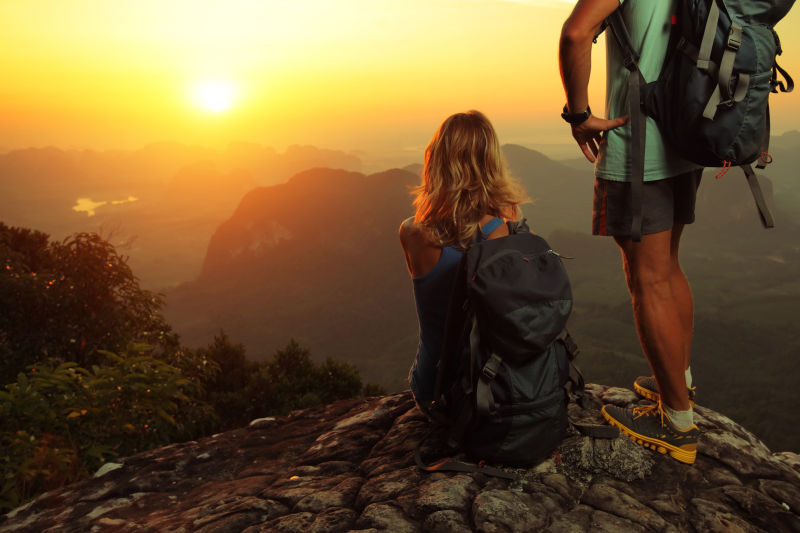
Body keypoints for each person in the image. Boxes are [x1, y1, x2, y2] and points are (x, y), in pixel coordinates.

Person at [559, 0, 701, 464]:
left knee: (646, 278)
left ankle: (677, 422)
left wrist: (579, 115)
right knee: (668, 266)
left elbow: (577, 34)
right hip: (687, 131)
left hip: (640, 140)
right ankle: (680, 382)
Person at [398, 110, 527, 412]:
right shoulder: (504, 231)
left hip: (432, 387)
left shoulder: (411, 232)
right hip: (488, 390)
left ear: (436, 160)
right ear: (491, 162)